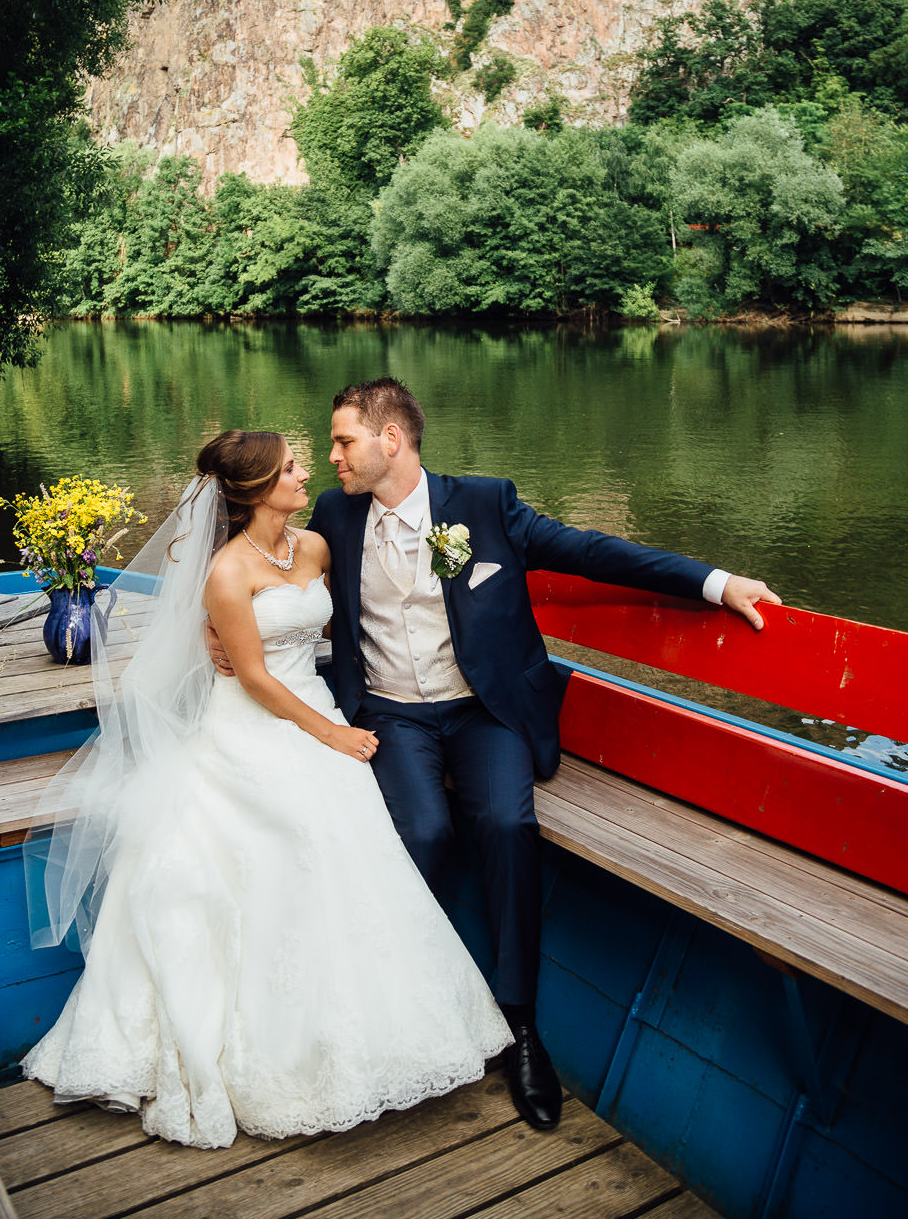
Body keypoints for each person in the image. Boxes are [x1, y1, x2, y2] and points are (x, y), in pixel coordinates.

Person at [297, 376, 780, 1131]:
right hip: (391, 714)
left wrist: (716, 583)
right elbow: (269, 560)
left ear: (390, 440)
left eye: (343, 441)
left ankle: (521, 1025)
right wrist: (220, 630)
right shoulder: (334, 513)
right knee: (422, 831)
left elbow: (592, 551)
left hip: (482, 710)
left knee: (507, 824)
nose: (332, 456)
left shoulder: (486, 504)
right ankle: (407, 1007)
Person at [22, 429, 511, 1150]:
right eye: (289, 468)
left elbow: (361, 605)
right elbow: (252, 677)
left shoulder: (316, 546)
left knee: (349, 824)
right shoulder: (226, 572)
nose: (305, 473)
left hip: (313, 700)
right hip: (256, 723)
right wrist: (331, 734)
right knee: (302, 829)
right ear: (254, 489)